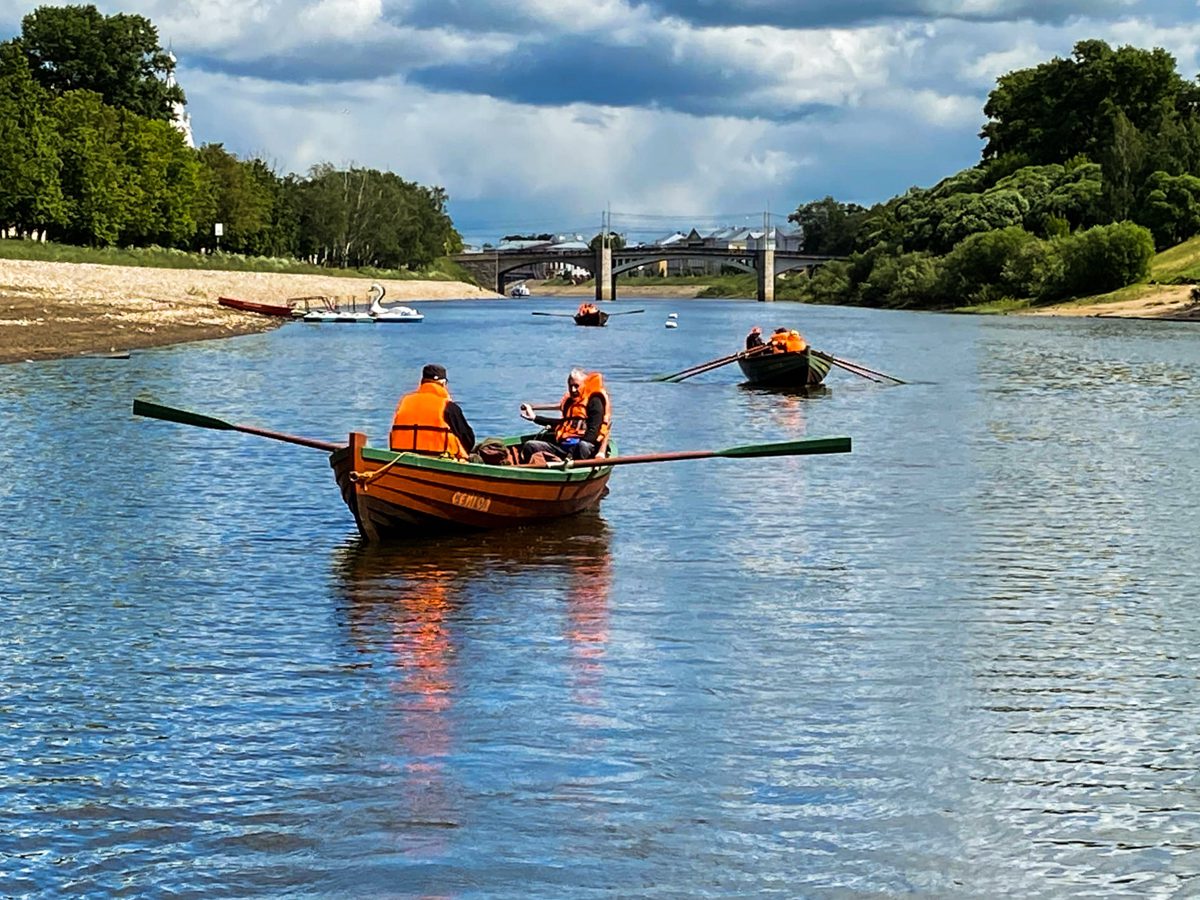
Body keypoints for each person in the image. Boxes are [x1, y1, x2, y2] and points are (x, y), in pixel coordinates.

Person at [518, 368, 611, 462]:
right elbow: (562, 423)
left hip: (583, 448)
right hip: (563, 447)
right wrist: (535, 418)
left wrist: (572, 452)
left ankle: (572, 465)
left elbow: (593, 431)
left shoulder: (594, 402)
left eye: (576, 386)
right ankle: (537, 468)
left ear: (585, 385)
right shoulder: (570, 402)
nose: (573, 390)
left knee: (583, 446)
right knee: (530, 445)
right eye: (570, 386)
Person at [389, 363, 475, 460]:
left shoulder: (405, 401)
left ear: (422, 382)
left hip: (401, 457)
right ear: (443, 383)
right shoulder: (448, 406)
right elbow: (468, 440)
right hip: (439, 457)